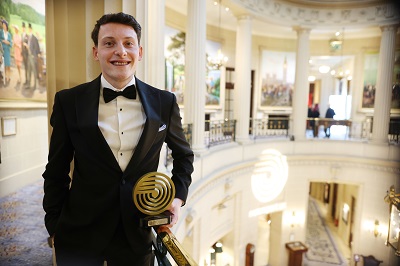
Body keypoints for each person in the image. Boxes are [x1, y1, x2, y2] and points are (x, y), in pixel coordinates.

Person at [42, 12, 194, 266]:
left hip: (136, 234)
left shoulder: (164, 102)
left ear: (140, 51)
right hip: (79, 232)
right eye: (109, 43)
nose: (120, 51)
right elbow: (56, 169)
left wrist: (177, 198)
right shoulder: (69, 101)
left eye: (128, 43)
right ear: (96, 52)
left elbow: (184, 155)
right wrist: (54, 226)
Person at [25, 23, 40, 89]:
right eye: (28, 28)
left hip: (33, 57)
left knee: (34, 71)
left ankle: (35, 85)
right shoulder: (28, 37)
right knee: (29, 71)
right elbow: (29, 47)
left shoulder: (34, 38)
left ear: (31, 29)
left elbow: (37, 48)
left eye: (30, 28)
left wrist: (34, 56)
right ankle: (28, 85)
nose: (29, 29)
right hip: (28, 56)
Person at [0, 20, 13, 87]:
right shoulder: (0, 32)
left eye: (5, 25)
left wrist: (8, 42)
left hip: (7, 51)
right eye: (3, 25)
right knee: (4, 65)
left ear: (6, 26)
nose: (4, 26)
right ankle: (5, 76)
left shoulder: (9, 34)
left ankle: (8, 76)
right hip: (2, 50)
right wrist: (2, 41)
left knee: (8, 65)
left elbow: (11, 44)